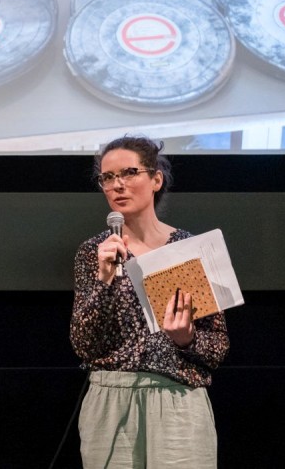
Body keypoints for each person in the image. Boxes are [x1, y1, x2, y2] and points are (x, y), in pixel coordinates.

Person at [69, 135, 230, 467]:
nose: (118, 185)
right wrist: (104, 279)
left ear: (156, 179)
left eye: (129, 173)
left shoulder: (187, 249)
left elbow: (218, 346)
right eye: (108, 177)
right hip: (110, 398)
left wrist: (186, 338)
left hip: (176, 396)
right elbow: (84, 345)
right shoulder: (93, 252)